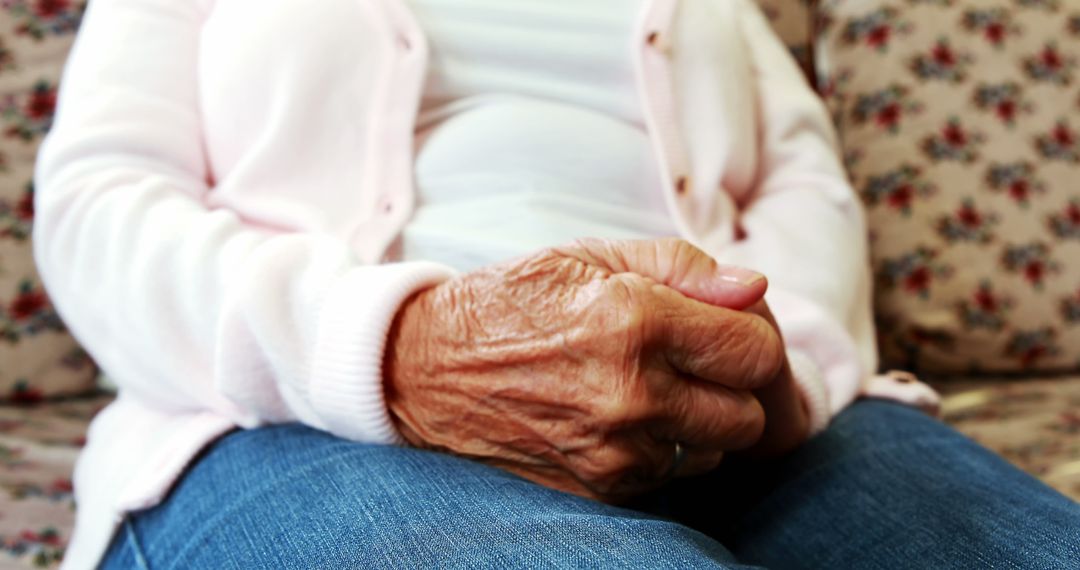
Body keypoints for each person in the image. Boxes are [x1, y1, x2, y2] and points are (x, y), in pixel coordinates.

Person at [33, 0, 1079, 568]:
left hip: (752, 421)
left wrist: (762, 368)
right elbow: (97, 203)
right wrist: (401, 351)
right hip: (301, 422)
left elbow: (804, 186)